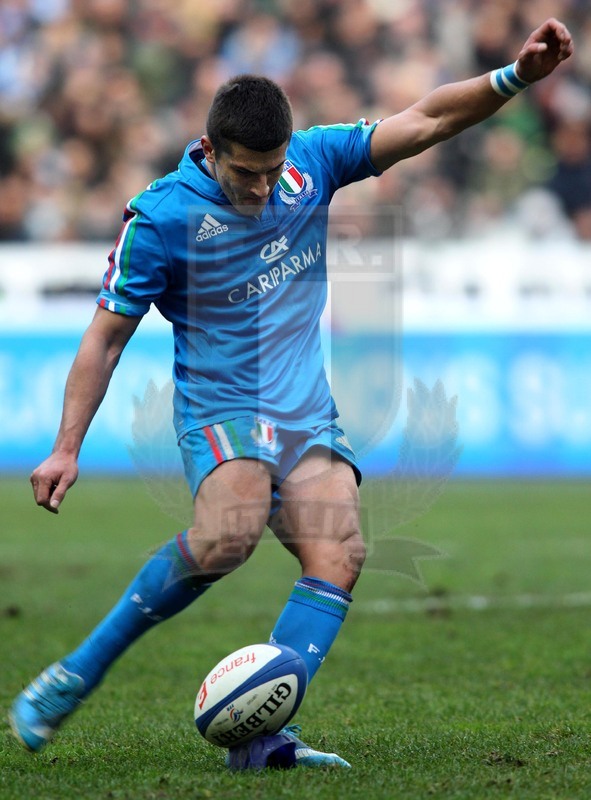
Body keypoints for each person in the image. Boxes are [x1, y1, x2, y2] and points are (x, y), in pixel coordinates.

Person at [10, 18, 573, 770]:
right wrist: (65, 448)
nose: (262, 188)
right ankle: (76, 674)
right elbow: (105, 337)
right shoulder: (162, 216)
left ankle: (258, 738)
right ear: (209, 151)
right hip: (221, 408)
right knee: (230, 532)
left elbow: (428, 119)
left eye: (272, 171)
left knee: (340, 551)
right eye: (246, 173)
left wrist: (515, 77)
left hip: (305, 411)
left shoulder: (312, 160)